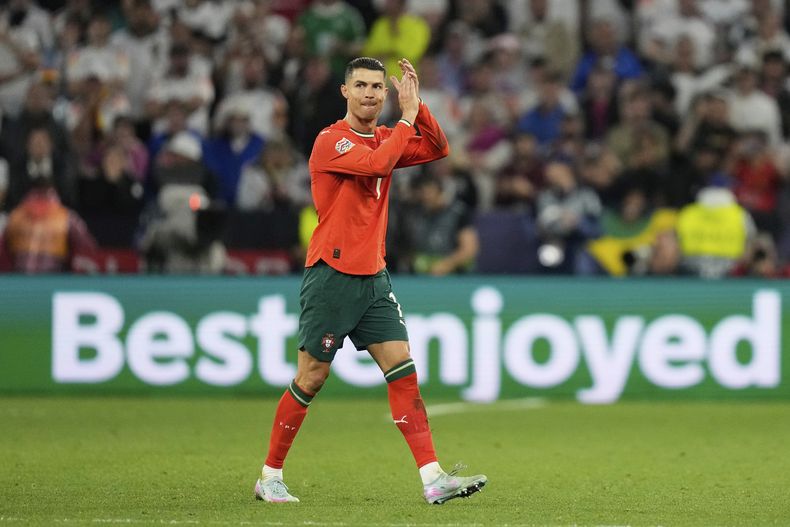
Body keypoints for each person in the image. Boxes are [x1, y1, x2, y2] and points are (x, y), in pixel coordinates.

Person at [254, 57, 487, 505]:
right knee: (311, 377)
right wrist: (406, 119)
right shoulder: (331, 141)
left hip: (373, 278)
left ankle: (433, 477)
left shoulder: (386, 135)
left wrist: (419, 107)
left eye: (378, 87)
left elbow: (438, 149)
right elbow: (380, 165)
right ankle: (270, 475)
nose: (369, 94)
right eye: (360, 85)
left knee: (402, 369)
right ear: (345, 91)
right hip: (331, 276)